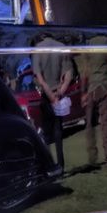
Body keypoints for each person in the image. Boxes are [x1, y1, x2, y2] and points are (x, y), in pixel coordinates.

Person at [75, 37, 107, 169]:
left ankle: (92, 158)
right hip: (104, 86)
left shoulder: (87, 44)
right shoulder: (105, 41)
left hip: (91, 89)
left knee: (89, 125)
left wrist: (83, 93)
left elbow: (84, 72)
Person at [32, 37, 72, 175]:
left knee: (45, 133)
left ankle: (48, 165)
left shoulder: (38, 49)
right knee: (58, 132)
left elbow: (41, 80)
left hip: (47, 96)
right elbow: (68, 75)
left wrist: (50, 97)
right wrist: (59, 94)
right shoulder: (61, 47)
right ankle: (60, 165)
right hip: (58, 94)